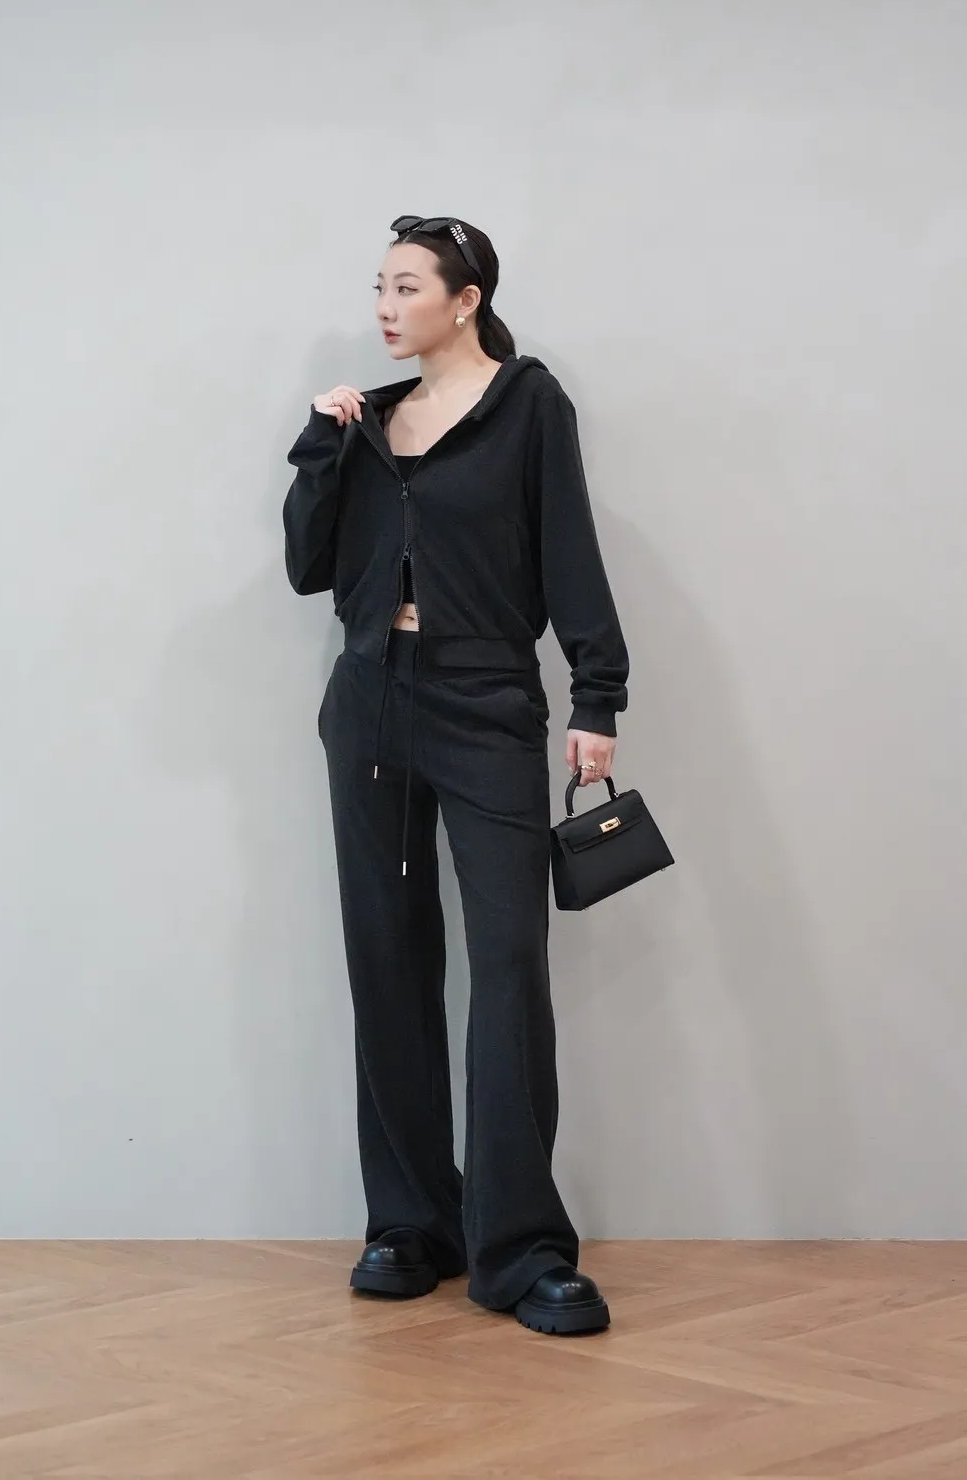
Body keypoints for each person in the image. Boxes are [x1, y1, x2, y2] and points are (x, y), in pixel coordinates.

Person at [282, 215, 630, 1335]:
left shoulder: (529, 404)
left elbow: (569, 547)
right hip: (370, 703)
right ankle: (409, 1223)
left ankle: (520, 1248)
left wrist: (595, 696)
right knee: (386, 959)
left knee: (509, 965)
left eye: (405, 286)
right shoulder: (368, 421)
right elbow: (306, 567)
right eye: (377, 288)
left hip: (485, 704)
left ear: (465, 297)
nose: (384, 307)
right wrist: (320, 447)